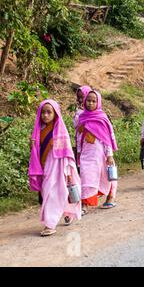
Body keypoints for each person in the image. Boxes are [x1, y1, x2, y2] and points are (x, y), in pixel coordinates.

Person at [28, 100, 81, 237]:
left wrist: (68, 172)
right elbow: (36, 152)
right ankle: (66, 211)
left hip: (58, 168)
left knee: (52, 193)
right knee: (48, 193)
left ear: (55, 114)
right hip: (44, 168)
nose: (45, 115)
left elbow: (67, 154)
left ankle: (50, 224)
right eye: (43, 112)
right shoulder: (38, 131)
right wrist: (32, 145)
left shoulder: (60, 131)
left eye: (49, 112)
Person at [76, 90, 118, 215]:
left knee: (104, 176)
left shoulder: (102, 118)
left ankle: (110, 197)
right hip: (85, 154)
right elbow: (78, 136)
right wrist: (78, 151)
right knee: (86, 176)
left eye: (94, 101)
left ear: (98, 102)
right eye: (88, 100)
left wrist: (109, 154)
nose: (90, 103)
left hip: (99, 154)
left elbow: (107, 139)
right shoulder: (81, 117)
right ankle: (85, 205)